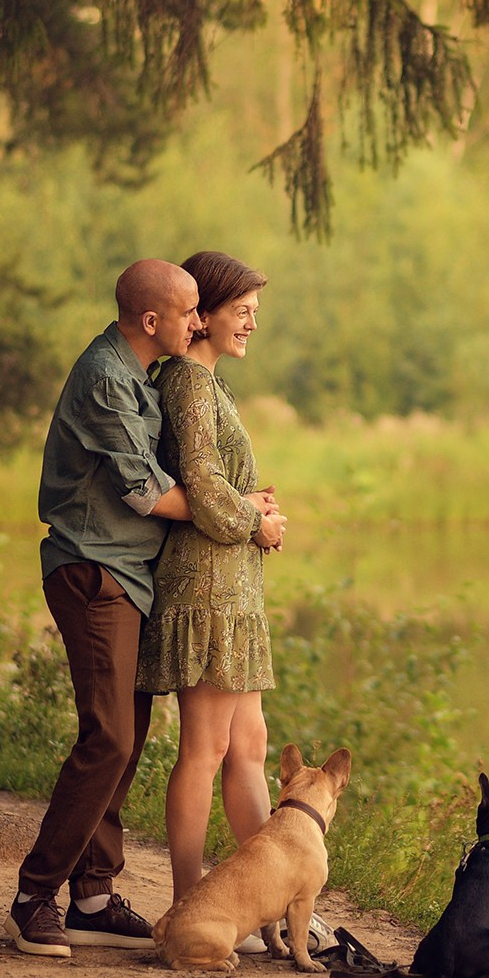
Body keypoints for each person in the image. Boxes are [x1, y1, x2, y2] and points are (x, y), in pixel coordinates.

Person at [6, 258, 277, 958]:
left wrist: (237, 506)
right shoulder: (107, 377)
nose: (198, 321)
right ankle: (33, 897)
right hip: (94, 568)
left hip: (130, 574)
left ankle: (93, 895)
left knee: (126, 735)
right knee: (111, 739)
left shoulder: (142, 374)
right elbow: (147, 492)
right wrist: (245, 514)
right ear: (153, 320)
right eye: (190, 312)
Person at [140, 251, 289, 906]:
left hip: (235, 587)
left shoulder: (212, 383)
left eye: (255, 312)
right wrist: (255, 522)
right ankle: (188, 902)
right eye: (243, 311)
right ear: (203, 313)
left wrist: (255, 506)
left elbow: (217, 481)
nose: (252, 323)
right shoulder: (188, 382)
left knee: (249, 743)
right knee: (205, 748)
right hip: (205, 586)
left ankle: (268, 899)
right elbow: (199, 482)